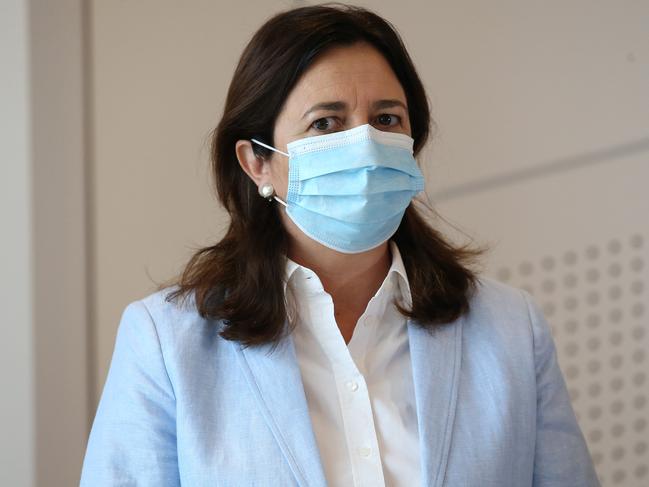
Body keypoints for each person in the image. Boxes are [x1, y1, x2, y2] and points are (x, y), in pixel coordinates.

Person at [79, 3, 600, 486]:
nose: (366, 143)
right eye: (325, 123)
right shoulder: (166, 344)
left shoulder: (511, 329)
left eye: (387, 118)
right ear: (258, 162)